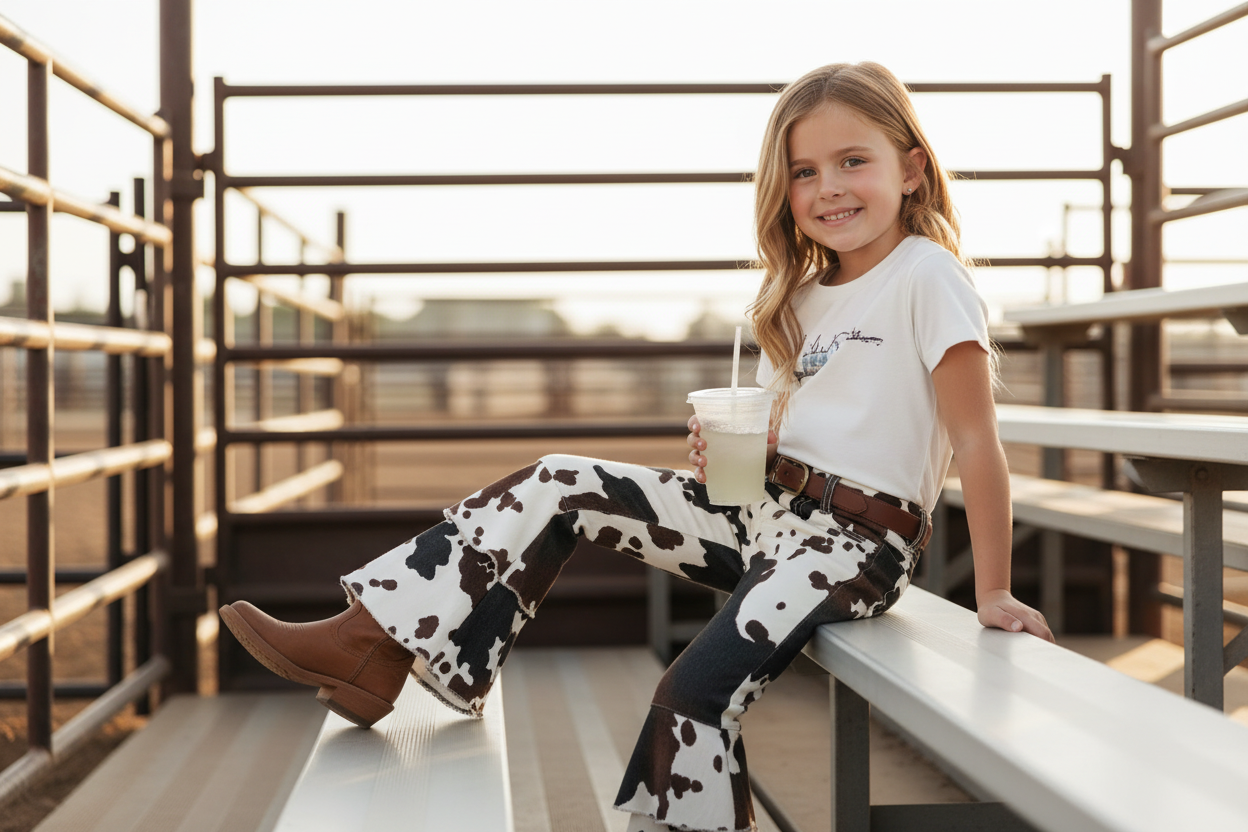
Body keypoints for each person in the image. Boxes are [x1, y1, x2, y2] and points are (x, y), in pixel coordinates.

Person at [219, 61, 1054, 832]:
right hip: (761, 515)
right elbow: (786, 430)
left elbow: (976, 441)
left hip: (853, 544)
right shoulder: (794, 299)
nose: (828, 188)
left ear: (910, 169)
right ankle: (372, 643)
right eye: (804, 171)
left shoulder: (927, 275)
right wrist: (740, 446)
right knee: (559, 482)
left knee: (689, 695)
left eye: (852, 162)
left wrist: (994, 590)